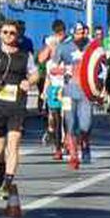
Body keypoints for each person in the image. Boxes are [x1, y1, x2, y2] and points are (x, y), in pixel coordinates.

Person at [0, 20, 39, 216]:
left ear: (17, 36)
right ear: (0, 34)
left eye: (12, 33)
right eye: (6, 32)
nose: (9, 36)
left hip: (17, 106)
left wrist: (29, 82)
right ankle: (1, 167)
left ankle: (8, 181)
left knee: (14, 143)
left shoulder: (25, 55)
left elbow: (35, 74)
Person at [54, 23, 94, 168]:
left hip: (86, 92)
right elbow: (52, 67)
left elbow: (100, 67)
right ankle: (73, 155)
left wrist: (100, 88)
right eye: (78, 32)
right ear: (72, 33)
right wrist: (63, 70)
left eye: (83, 32)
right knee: (70, 124)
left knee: (85, 124)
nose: (81, 35)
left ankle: (85, 143)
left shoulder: (91, 46)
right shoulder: (63, 47)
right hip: (68, 91)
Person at [38, 20, 68, 160]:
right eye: (57, 34)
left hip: (67, 87)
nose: (59, 37)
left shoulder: (70, 45)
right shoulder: (50, 44)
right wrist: (50, 47)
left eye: (61, 33)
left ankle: (66, 142)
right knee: (56, 118)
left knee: (67, 118)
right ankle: (58, 148)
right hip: (55, 88)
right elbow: (41, 60)